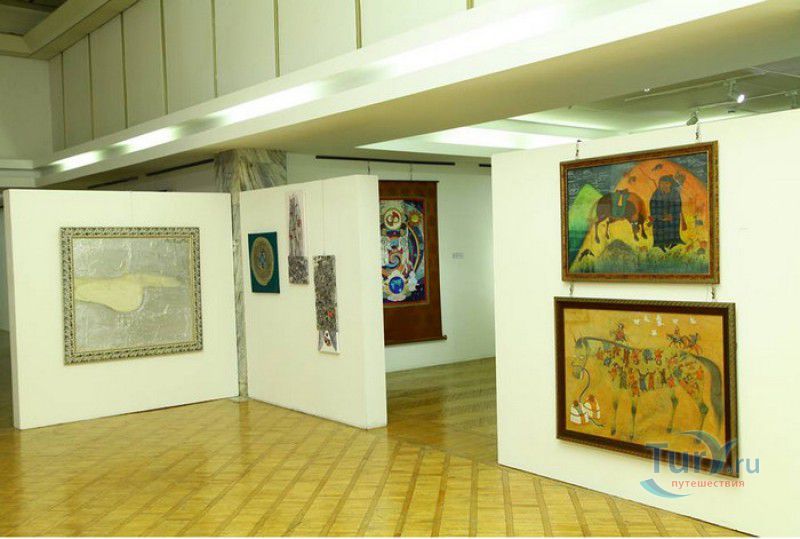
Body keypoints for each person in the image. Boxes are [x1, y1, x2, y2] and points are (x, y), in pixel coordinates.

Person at [649, 175, 684, 250]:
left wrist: (670, 215)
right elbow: (652, 205)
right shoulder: (656, 193)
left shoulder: (675, 193)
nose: (664, 185)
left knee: (672, 230)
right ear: (659, 184)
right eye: (662, 183)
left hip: (672, 216)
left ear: (670, 184)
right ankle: (660, 244)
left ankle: (673, 243)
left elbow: (677, 205)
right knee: (659, 230)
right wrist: (659, 216)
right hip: (660, 216)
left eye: (667, 183)